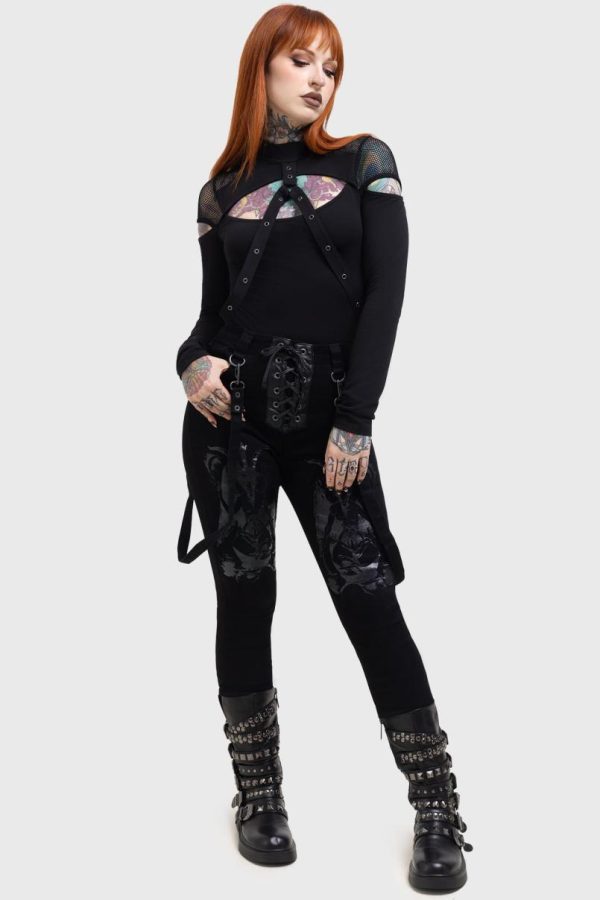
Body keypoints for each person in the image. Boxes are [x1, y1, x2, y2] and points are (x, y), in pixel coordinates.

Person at [175, 4, 473, 889]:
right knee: (244, 600)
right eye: (301, 61)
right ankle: (259, 795)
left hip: (330, 424)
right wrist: (187, 365)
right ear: (261, 68)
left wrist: (357, 419)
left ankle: (438, 805)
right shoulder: (219, 190)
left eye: (330, 67)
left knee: (368, 600)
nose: (318, 79)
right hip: (228, 427)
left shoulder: (366, 162)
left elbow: (385, 297)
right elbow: (209, 320)